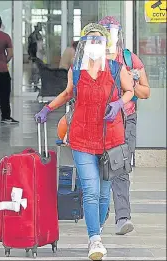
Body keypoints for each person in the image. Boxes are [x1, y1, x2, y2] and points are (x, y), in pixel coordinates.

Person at [35, 23, 134, 260]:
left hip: (111, 141)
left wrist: (119, 103)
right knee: (90, 191)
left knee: (103, 195)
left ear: (105, 44)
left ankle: (96, 228)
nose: (94, 44)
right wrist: (47, 109)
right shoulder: (76, 70)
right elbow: (68, 93)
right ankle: (94, 240)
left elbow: (129, 90)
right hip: (81, 138)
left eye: (99, 40)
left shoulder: (115, 67)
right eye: (90, 40)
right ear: (83, 44)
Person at [98, 16, 150, 235]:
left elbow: (145, 92)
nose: (112, 35)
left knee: (120, 167)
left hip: (126, 119)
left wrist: (131, 81)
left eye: (115, 31)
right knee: (98, 167)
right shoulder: (93, 57)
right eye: (107, 31)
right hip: (99, 120)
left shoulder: (129, 58)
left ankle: (122, 217)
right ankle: (101, 211)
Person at [0, 12, 19, 124]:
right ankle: (5, 117)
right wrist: (3, 61)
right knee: (4, 95)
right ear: (0, 24)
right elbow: (10, 54)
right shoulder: (5, 36)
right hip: (2, 70)